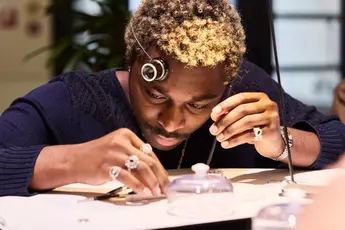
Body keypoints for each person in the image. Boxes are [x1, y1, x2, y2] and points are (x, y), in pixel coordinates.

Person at [1, 0, 345, 197]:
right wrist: (73, 162)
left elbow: (338, 143)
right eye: (154, 94)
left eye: (198, 104)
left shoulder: (244, 89)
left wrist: (280, 142)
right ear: (133, 62)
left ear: (226, 84)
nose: (170, 121)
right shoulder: (73, 99)